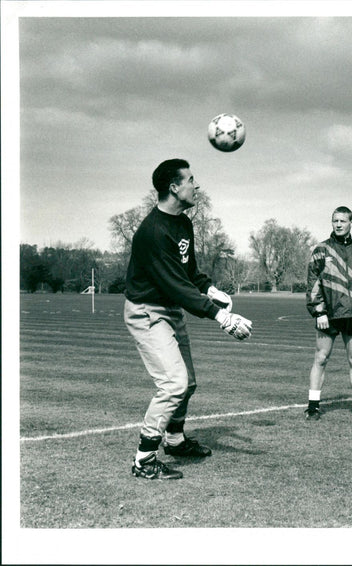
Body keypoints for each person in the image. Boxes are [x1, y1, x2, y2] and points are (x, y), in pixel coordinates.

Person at [125, 159, 252, 480]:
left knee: (188, 383)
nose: (197, 186)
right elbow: (176, 285)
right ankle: (143, 460)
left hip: (169, 309)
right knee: (173, 384)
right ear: (174, 187)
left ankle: (175, 439)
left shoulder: (184, 223)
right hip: (146, 311)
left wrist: (209, 288)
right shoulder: (152, 232)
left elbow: (189, 274)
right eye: (191, 180)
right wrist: (223, 317)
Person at [305, 206, 352, 421]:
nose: (338, 224)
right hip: (329, 314)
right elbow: (312, 283)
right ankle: (313, 407)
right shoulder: (321, 250)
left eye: (342, 221)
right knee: (321, 358)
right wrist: (319, 312)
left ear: (350, 223)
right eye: (335, 220)